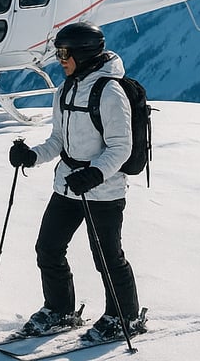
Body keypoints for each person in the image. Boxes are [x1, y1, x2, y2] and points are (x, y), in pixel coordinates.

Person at [8, 21, 144, 342]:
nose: (60, 60)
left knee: (107, 258)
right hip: (67, 186)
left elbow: (121, 147)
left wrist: (94, 174)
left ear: (82, 54)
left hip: (104, 191)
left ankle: (124, 317)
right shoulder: (66, 89)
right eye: (58, 53)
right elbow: (58, 140)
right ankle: (59, 310)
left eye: (64, 53)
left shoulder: (110, 92)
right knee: (48, 248)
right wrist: (32, 156)